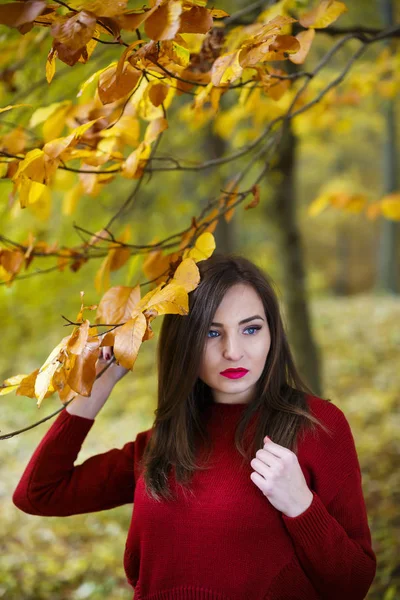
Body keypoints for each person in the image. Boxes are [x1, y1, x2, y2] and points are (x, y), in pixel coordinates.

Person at [12, 254, 377, 600]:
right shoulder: (163, 444)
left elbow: (352, 585)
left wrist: (300, 505)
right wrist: (96, 388)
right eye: (211, 333)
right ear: (185, 341)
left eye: (251, 329)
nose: (233, 351)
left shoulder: (316, 428)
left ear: (272, 335)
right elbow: (38, 493)